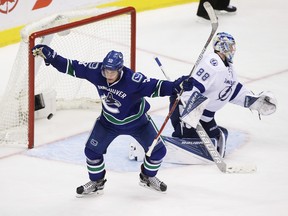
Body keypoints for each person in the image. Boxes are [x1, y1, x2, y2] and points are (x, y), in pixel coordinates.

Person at [32, 44, 193, 195]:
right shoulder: (96, 71)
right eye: (106, 70)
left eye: (112, 71)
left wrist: (177, 85)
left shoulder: (134, 81)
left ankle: (147, 177)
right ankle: (97, 183)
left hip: (138, 123)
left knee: (158, 152)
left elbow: (158, 87)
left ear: (120, 69)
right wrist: (52, 57)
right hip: (108, 123)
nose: (108, 75)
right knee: (91, 152)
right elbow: (72, 67)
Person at [169, 32, 277, 158]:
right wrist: (190, 115)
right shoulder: (212, 63)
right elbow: (192, 88)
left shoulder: (229, 68)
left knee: (218, 138)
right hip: (184, 108)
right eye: (231, 46)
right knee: (188, 137)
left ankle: (192, 134)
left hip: (205, 116)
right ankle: (181, 136)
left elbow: (233, 91)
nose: (233, 50)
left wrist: (254, 101)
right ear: (223, 46)